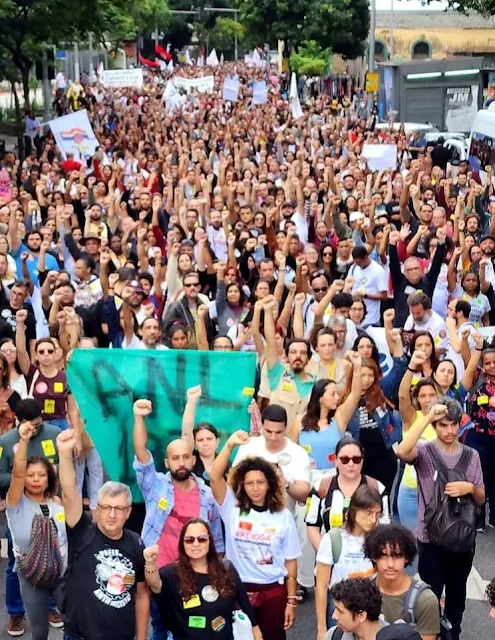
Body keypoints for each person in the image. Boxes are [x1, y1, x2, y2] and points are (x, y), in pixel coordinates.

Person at [132, 398, 224, 640]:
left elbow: (216, 538)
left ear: (193, 461)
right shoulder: (156, 486)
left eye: (186, 457)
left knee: (189, 630)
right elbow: (141, 453)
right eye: (175, 458)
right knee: (159, 628)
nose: (181, 463)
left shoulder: (207, 494)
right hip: (158, 575)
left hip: (192, 577)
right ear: (166, 462)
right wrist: (139, 417)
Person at [397, 399, 485, 639]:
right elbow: (402, 451)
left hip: (462, 540)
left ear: (459, 425)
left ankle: (453, 635)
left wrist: (469, 487)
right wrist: (426, 416)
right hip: (430, 540)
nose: (449, 431)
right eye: (443, 425)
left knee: (456, 601)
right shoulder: (425, 451)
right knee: (429, 600)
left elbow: (481, 497)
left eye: (453, 425)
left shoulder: (471, 455)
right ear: (435, 427)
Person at [56, 428, 149, 640]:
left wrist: (142, 637)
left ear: (128, 512)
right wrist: (64, 453)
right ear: (97, 508)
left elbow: (142, 594)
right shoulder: (82, 531)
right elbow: (70, 494)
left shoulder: (136, 543)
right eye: (106, 507)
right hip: (80, 636)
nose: (112, 515)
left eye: (118, 509)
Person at [210, 430, 301, 640]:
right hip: (237, 591)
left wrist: (291, 601)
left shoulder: (283, 516)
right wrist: (230, 445)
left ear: (269, 483)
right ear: (242, 485)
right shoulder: (232, 508)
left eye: (260, 482)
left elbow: (290, 562)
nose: (255, 488)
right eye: (249, 483)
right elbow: (214, 477)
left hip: (273, 593)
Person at [0, 399, 64, 636]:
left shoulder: (55, 433)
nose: (35, 430)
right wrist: (25, 480)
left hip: (51, 506)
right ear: (19, 419)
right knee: (17, 565)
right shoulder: (5, 443)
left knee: (55, 557)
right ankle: (16, 613)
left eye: (39, 425)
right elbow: (2, 476)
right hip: (20, 509)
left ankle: (49, 607)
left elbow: (65, 467)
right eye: (31, 425)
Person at [143, 518, 262, 640]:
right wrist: (151, 563)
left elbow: (244, 602)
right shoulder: (171, 574)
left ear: (209, 541)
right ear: (182, 543)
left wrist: (255, 629)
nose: (196, 544)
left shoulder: (225, 569)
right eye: (189, 540)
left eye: (202, 539)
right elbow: (154, 584)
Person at [315, 485, 383, 638]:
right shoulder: (333, 539)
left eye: (378, 514)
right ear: (354, 510)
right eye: (368, 513)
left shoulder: (379, 539)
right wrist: (321, 628)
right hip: (341, 606)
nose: (373, 520)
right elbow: (321, 585)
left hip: (369, 606)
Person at [364, 524, 440, 639]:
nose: (390, 564)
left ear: (407, 558)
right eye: (383, 555)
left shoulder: (425, 600)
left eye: (397, 556)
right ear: (373, 557)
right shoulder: (363, 591)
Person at [324, 577, 388, 639]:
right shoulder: (334, 635)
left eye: (340, 611)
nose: (334, 616)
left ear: (361, 616)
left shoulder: (394, 636)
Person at [181, 385, 220, 484]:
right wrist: (191, 402)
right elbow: (186, 433)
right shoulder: (190, 461)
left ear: (217, 442)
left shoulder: (225, 463)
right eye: (200, 440)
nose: (205, 443)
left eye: (209, 439)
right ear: (195, 444)